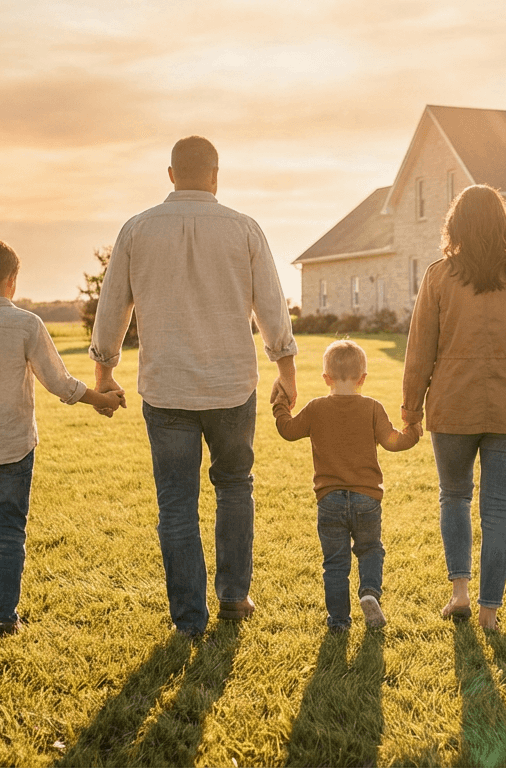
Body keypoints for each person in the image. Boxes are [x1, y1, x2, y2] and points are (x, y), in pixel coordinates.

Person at [89, 136, 298, 637]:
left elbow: (114, 304)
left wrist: (104, 371)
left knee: (176, 503)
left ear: (170, 174)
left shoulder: (136, 230)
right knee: (234, 487)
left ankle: (188, 619)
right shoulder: (244, 229)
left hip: (166, 388)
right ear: (215, 174)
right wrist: (286, 370)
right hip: (231, 385)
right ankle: (233, 596)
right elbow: (271, 303)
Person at [0, 239, 126, 640]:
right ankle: (4, 615)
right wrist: (100, 399)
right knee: (11, 527)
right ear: (13, 281)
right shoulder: (26, 324)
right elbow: (60, 383)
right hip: (14, 441)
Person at [401, 185, 506, 632]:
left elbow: (419, 351)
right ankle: (489, 612)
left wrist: (410, 410)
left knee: (454, 497)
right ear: (503, 225)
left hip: (452, 405)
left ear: (455, 225)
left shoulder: (438, 276)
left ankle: (459, 592)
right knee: (498, 509)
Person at [272, 340, 421, 632]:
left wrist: (280, 403)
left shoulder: (316, 408)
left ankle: (339, 621)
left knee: (335, 563)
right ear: (362, 379)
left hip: (329, 501)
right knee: (370, 550)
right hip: (367, 499)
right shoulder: (372, 407)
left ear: (325, 378)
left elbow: (288, 430)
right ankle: (369, 592)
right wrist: (414, 428)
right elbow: (394, 442)